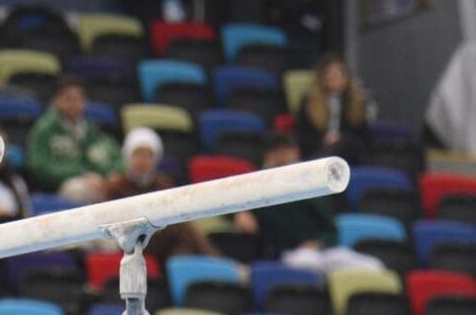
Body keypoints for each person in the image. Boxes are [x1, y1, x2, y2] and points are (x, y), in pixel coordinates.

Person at [233, 132, 382, 273]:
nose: (282, 156)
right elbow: (226, 201)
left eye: (287, 150)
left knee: (373, 265)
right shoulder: (256, 185)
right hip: (287, 253)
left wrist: (319, 242)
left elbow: (330, 230)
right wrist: (238, 213)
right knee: (307, 264)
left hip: (321, 251)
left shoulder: (312, 185)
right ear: (268, 154)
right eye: (277, 151)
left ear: (296, 152)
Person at [107, 127, 220, 259]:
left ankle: (214, 260)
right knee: (181, 228)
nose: (143, 161)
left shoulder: (162, 184)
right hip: (132, 240)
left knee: (184, 231)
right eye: (138, 155)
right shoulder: (117, 186)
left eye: (148, 156)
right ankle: (217, 259)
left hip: (163, 242)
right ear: (128, 156)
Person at [26, 75, 122, 203]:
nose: (74, 103)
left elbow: (113, 154)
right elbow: (39, 166)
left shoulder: (91, 129)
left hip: (96, 182)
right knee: (79, 190)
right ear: (57, 100)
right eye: (69, 98)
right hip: (60, 188)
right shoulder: (45, 130)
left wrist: (113, 174)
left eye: (78, 99)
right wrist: (81, 173)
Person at [296, 53, 368, 164]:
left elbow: (362, 137)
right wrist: (324, 140)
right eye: (331, 75)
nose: (335, 79)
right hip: (317, 150)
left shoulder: (356, 103)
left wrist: (340, 138)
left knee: (344, 145)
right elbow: (303, 136)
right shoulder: (309, 103)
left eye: (339, 74)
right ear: (323, 78)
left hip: (348, 153)